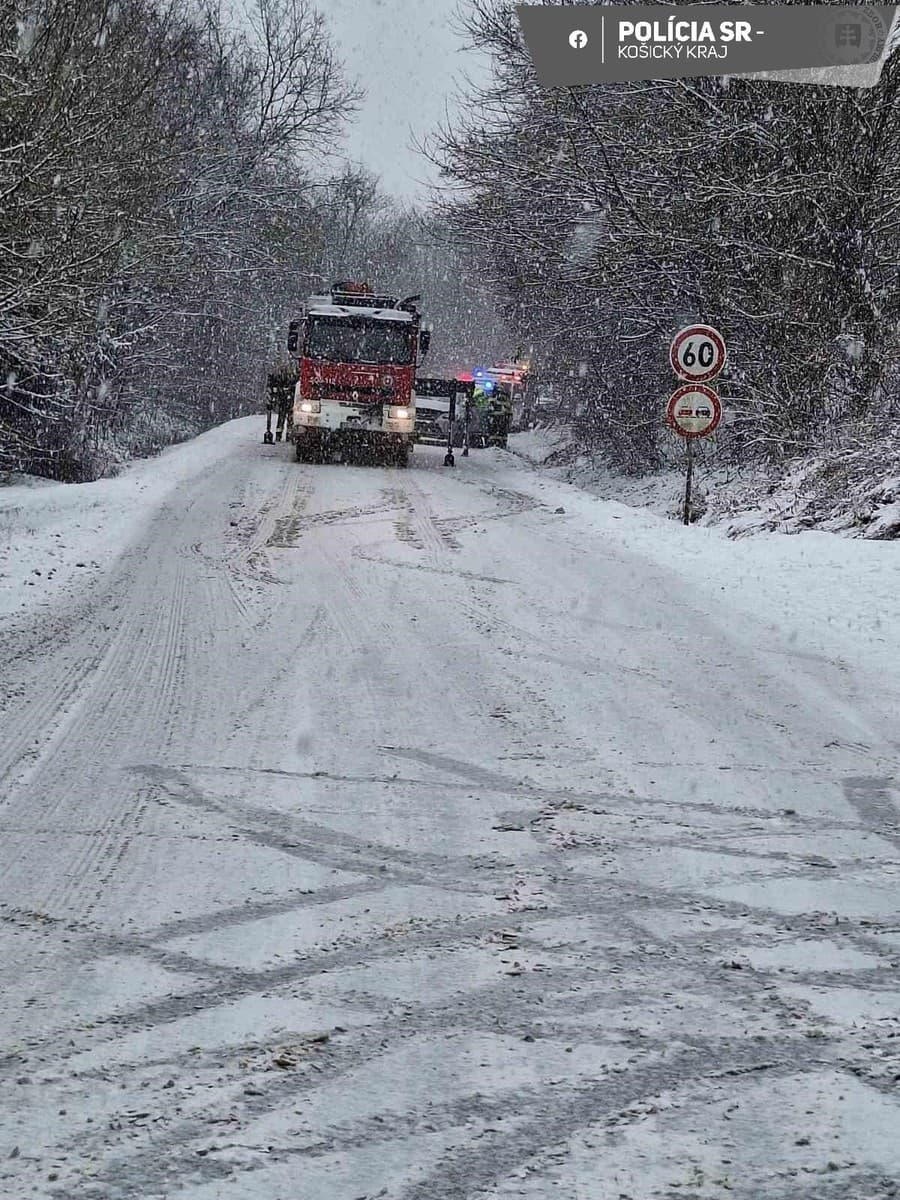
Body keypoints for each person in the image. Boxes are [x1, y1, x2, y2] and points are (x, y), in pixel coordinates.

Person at [266, 361, 298, 442]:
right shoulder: (286, 378)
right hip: (286, 402)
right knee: (285, 418)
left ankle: (285, 435)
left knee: (285, 418)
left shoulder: (288, 379)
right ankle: (284, 435)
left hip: (286, 402)